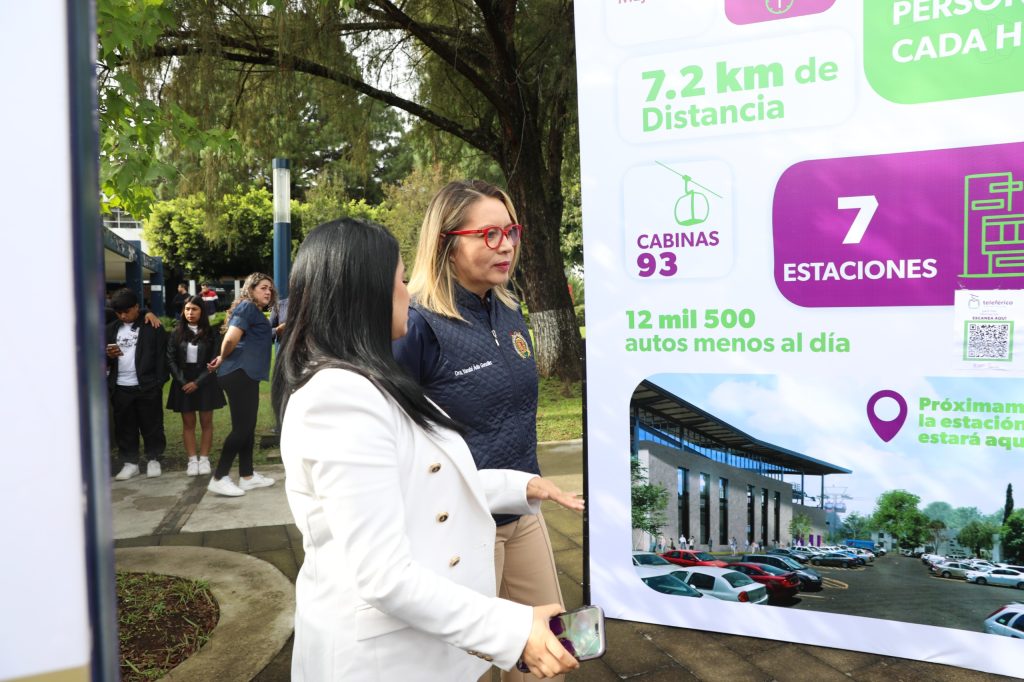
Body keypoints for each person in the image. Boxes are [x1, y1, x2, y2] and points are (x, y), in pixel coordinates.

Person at [273, 217, 582, 680]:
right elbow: (384, 575)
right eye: (400, 281)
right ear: (365, 294)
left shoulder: (367, 382)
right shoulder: (338, 399)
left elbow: (421, 484)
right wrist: (512, 631)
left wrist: (520, 486)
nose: (409, 294)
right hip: (381, 663)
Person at [392, 180, 569, 682]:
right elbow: (398, 442)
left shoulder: (508, 310)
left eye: (511, 231)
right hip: (460, 527)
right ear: (446, 243)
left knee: (548, 656)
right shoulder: (417, 325)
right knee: (465, 669)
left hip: (523, 513)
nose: (506, 245)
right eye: (489, 234)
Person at [206, 272, 277, 496]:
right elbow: (231, 338)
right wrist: (223, 356)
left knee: (247, 426)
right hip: (240, 373)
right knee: (242, 428)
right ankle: (219, 477)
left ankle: (247, 476)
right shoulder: (247, 307)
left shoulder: (254, 311)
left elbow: (253, 337)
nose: (268, 292)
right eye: (263, 287)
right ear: (250, 289)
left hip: (245, 373)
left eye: (270, 288)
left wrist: (277, 330)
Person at [106, 288, 168, 480]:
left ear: (136, 307)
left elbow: (162, 356)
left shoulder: (152, 326)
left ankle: (154, 459)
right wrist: (107, 356)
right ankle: (130, 463)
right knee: (125, 426)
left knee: (152, 424)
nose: (123, 316)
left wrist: (159, 381)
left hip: (147, 385)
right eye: (119, 313)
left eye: (127, 311)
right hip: (120, 386)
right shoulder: (111, 329)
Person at [166, 295, 226, 476]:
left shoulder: (212, 333)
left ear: (202, 311)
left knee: (206, 422)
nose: (190, 313)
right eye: (187, 309)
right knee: (188, 423)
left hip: (205, 380)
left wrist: (197, 382)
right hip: (183, 381)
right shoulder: (176, 332)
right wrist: (183, 382)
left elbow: (214, 360)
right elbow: (170, 359)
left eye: (194, 309)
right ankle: (192, 460)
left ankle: (204, 459)